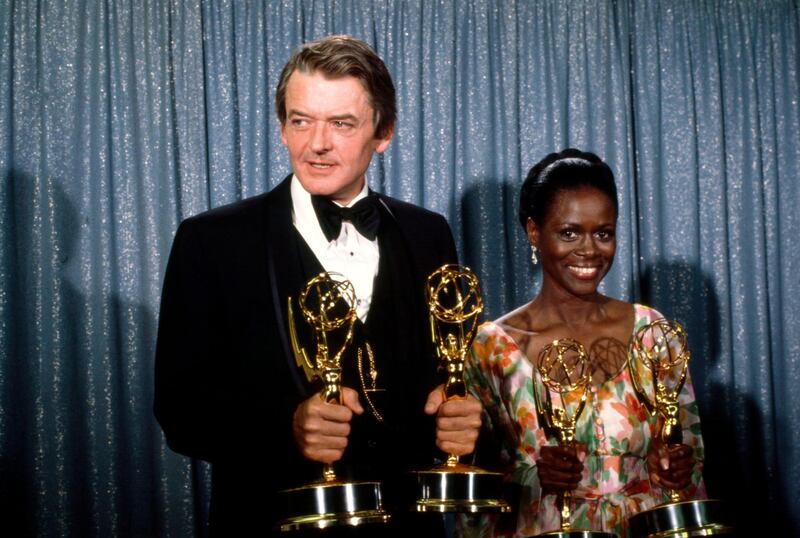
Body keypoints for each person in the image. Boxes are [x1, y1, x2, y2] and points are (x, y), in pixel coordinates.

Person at [154, 35, 482, 536]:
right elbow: (180, 412)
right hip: (266, 523)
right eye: (300, 120)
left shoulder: (426, 232)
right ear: (283, 129)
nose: (317, 143)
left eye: (342, 124)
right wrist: (285, 427)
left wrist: (454, 417)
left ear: (384, 132)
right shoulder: (211, 240)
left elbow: (442, 379)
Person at [461, 149, 706, 537]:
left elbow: (690, 459)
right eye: (569, 232)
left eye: (603, 233)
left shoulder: (652, 332)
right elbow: (470, 483)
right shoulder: (491, 348)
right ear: (534, 231)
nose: (589, 250)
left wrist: (675, 465)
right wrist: (533, 477)